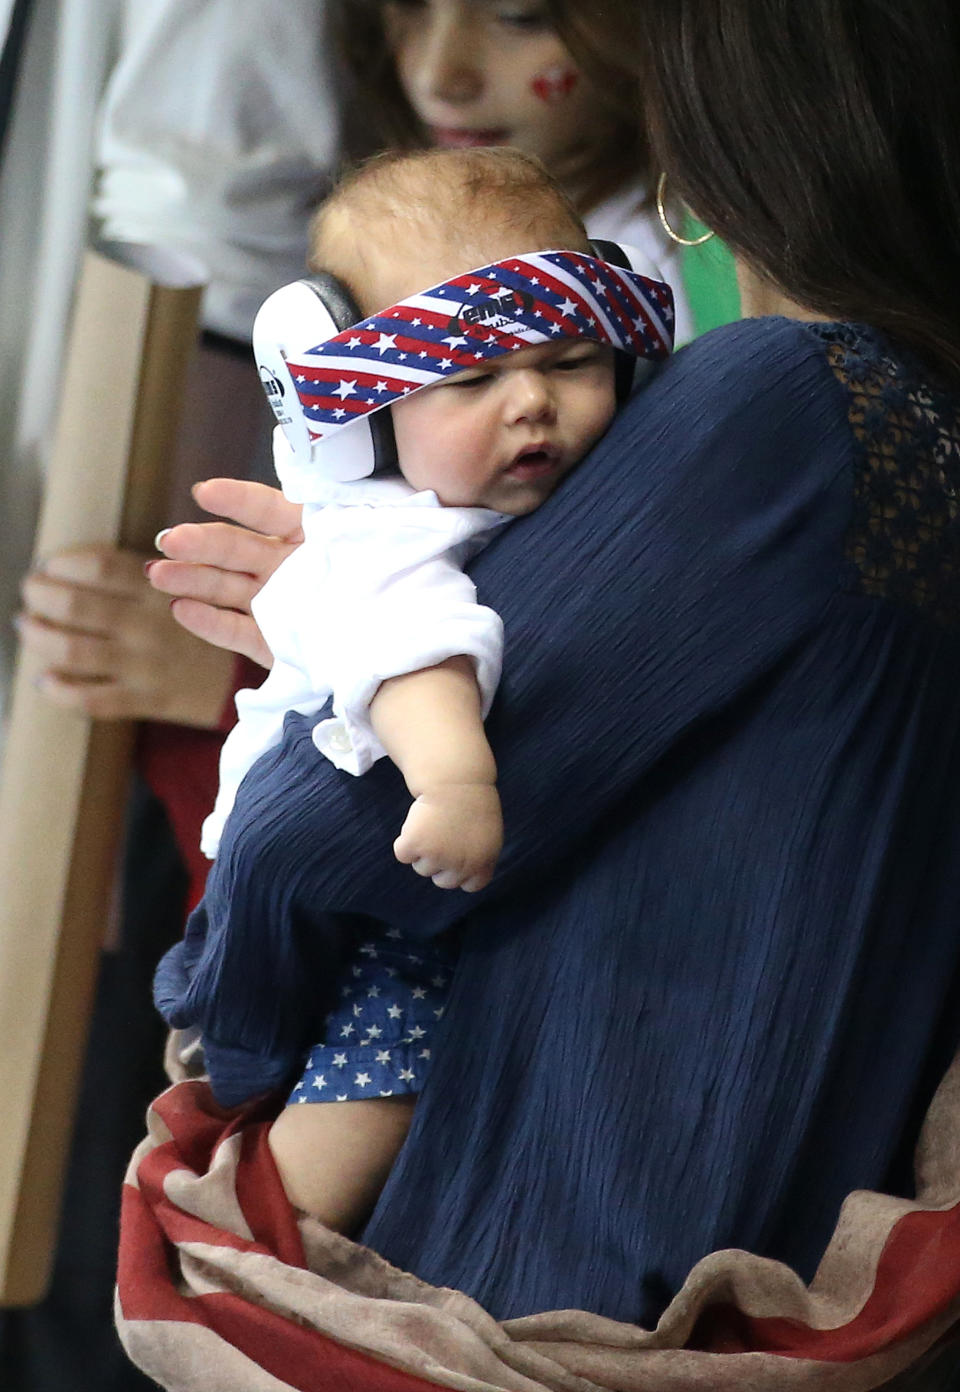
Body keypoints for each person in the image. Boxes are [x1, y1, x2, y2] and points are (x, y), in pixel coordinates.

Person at [144, 0, 960, 1362]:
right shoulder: (920, 415)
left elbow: (317, 840)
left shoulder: (786, 402)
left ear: (714, 152)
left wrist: (216, 1048)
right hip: (749, 1246)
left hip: (548, 1274)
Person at [163, 145, 673, 1231]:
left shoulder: (549, 499)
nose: (533, 402)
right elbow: (414, 647)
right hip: (346, 904)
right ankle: (254, 1252)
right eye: (474, 379)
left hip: (417, 884)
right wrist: (454, 782)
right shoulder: (384, 530)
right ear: (352, 422)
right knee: (378, 1083)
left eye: (575, 360)